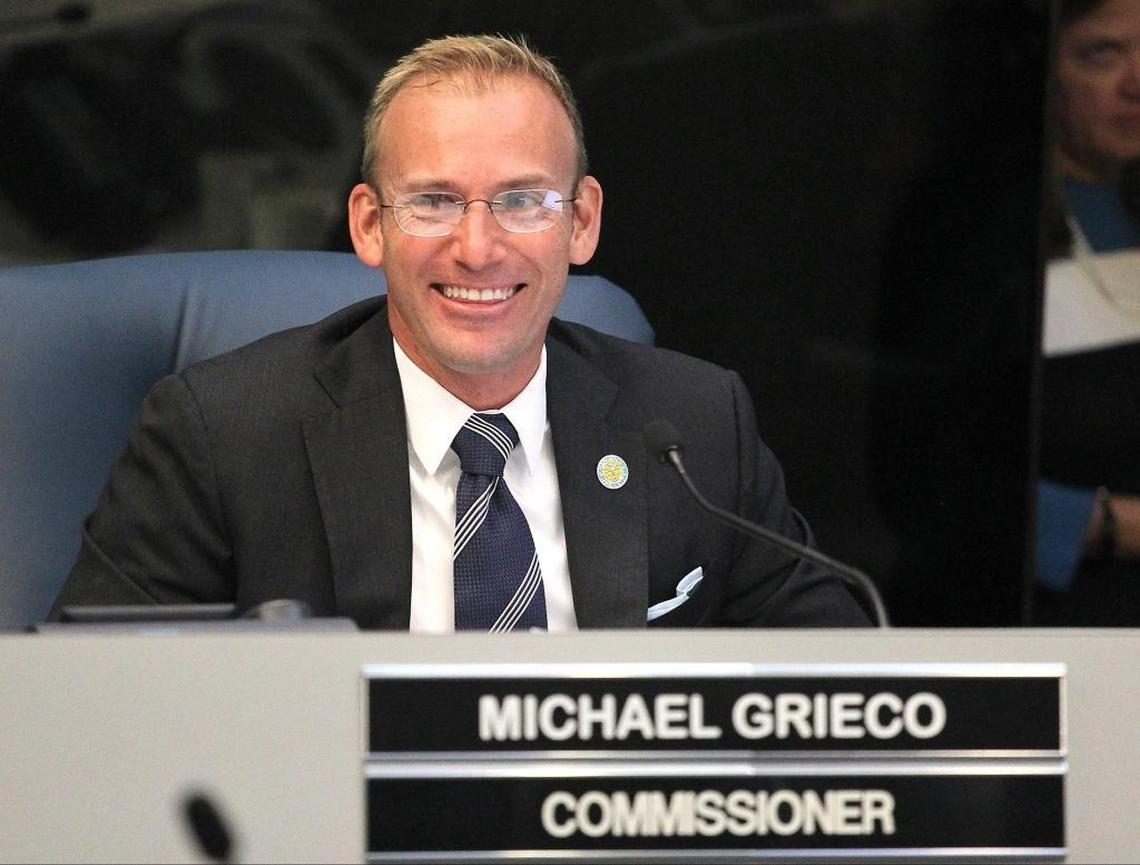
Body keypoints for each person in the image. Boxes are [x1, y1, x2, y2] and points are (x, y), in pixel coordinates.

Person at [50, 34, 869, 630]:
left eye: (521, 201)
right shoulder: (219, 435)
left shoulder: (694, 425)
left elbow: (832, 682)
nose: (478, 249)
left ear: (580, 224)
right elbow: (100, 710)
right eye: (434, 201)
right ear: (370, 226)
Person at [1037, 0, 1140, 621]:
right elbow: (938, 474)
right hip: (1068, 617)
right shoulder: (976, 233)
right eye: (1102, 54)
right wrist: (1110, 524)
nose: (1137, 83)